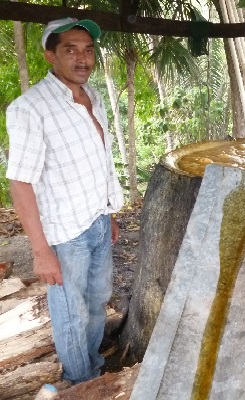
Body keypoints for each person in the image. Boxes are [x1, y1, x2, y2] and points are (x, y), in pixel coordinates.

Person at [6, 18, 124, 383]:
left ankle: (92, 364)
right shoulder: (30, 108)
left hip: (97, 221)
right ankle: (81, 381)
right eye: (70, 50)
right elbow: (20, 181)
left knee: (96, 299)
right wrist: (41, 251)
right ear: (49, 56)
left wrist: (109, 213)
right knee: (70, 312)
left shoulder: (94, 97)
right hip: (65, 232)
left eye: (88, 50)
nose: (82, 59)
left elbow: (100, 162)